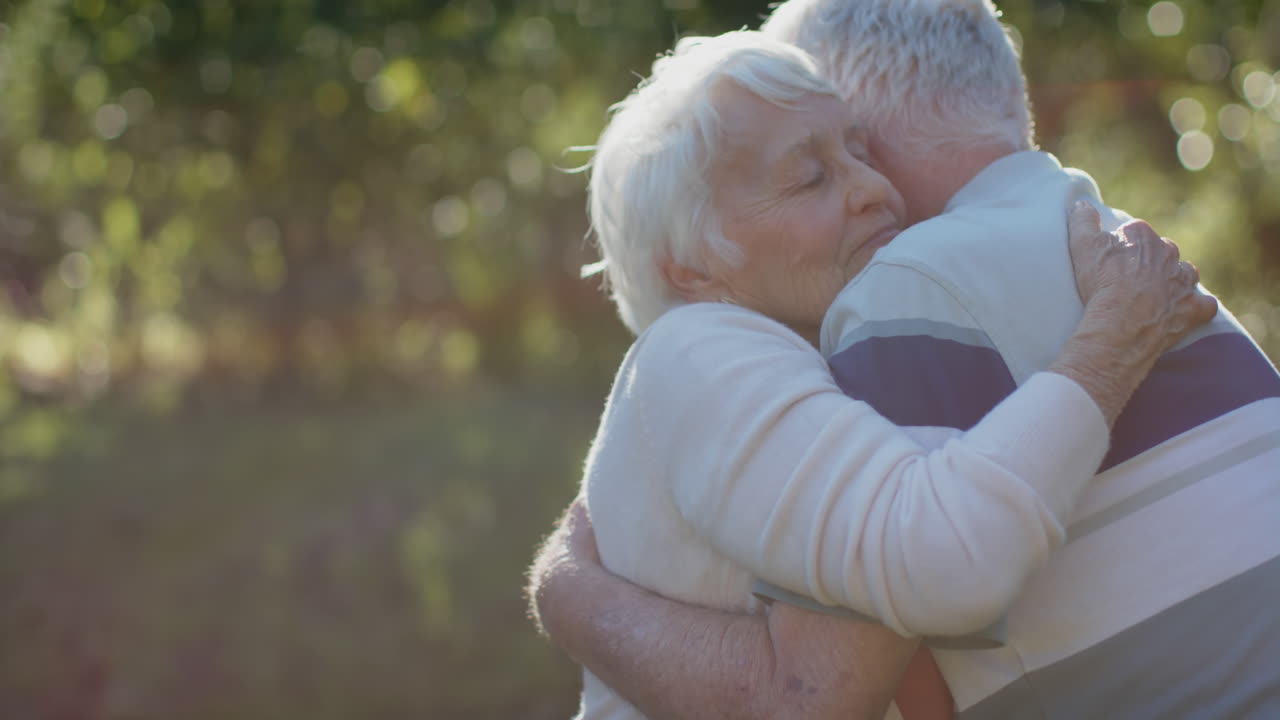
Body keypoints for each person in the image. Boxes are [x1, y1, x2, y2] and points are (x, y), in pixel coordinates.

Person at [529, 1, 1280, 719]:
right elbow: (841, 666)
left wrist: (568, 588)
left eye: (860, 151)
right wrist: (1112, 342)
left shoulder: (850, 330)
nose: (872, 187)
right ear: (690, 268)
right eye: (810, 176)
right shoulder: (702, 350)